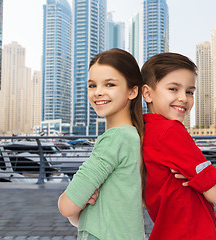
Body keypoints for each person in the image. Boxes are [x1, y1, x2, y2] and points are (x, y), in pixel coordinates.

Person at [58, 48, 145, 240]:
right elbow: (80, 217)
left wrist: (78, 201)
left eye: (110, 84)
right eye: (92, 85)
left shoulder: (115, 139)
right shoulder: (134, 136)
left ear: (133, 91)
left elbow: (67, 206)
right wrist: (81, 203)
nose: (98, 92)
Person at [141, 52, 216, 240]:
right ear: (147, 93)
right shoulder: (171, 131)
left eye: (189, 91)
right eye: (173, 89)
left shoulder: (144, 130)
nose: (183, 98)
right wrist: (214, 179)